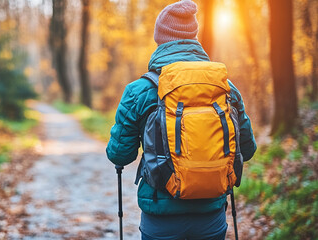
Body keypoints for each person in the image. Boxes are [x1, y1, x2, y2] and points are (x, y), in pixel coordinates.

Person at [106, 0, 257, 239]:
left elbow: (119, 154)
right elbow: (246, 149)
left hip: (160, 216)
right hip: (211, 214)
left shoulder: (139, 90)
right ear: (193, 37)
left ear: (160, 39)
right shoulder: (225, 89)